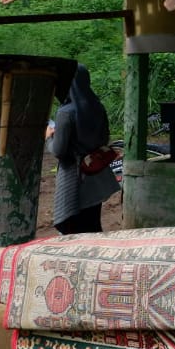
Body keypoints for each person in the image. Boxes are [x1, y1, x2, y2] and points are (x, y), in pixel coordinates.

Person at [49, 64, 120, 234]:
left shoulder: (65, 113)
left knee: (71, 228)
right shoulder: (98, 107)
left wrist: (48, 137)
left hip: (73, 179)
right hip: (96, 175)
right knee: (92, 224)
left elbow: (58, 151)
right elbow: (104, 139)